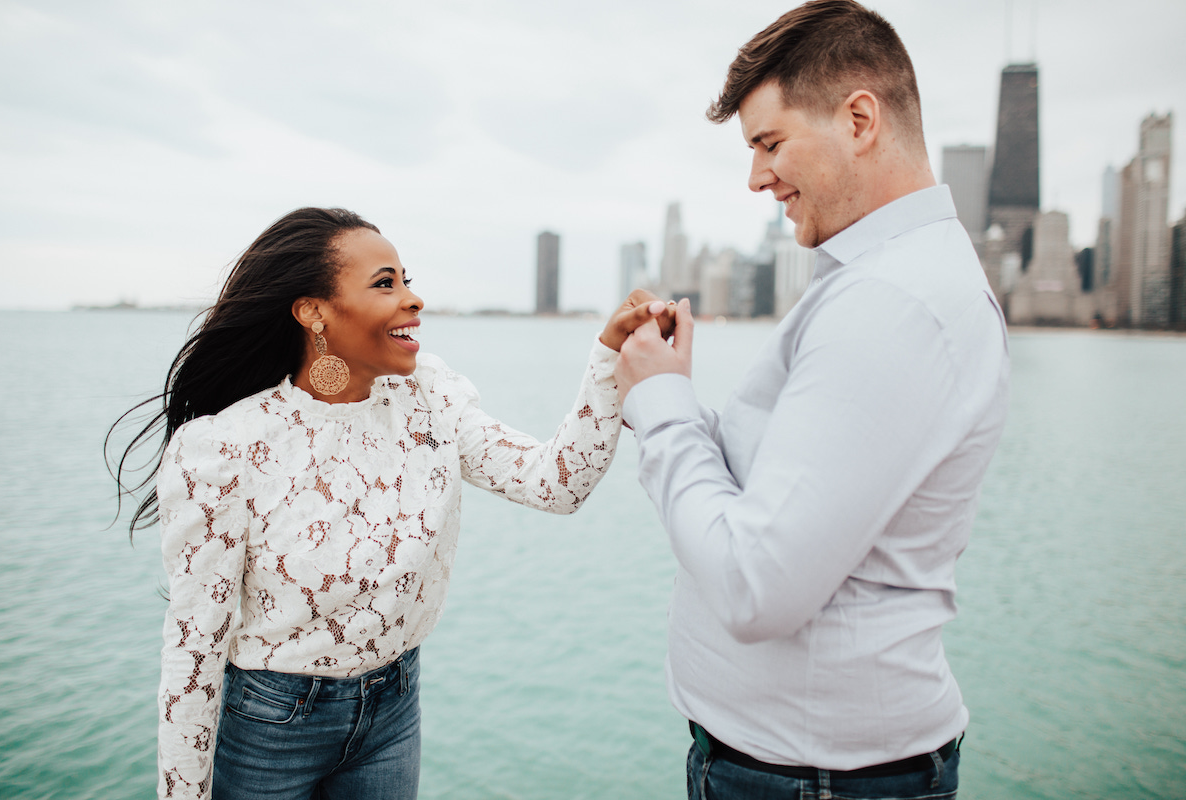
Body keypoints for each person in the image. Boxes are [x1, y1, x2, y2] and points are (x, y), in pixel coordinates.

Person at [109, 207, 671, 800]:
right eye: (385, 283)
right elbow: (195, 647)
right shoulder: (227, 448)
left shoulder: (428, 396)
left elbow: (555, 483)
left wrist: (609, 357)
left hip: (394, 710)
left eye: (407, 279)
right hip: (272, 727)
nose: (413, 299)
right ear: (313, 311)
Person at [614, 2, 1010, 798]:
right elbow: (776, 494)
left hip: (813, 781)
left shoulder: (894, 304)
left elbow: (754, 586)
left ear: (859, 118)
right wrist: (681, 399)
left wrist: (660, 407)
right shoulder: (877, 281)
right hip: (798, 771)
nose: (756, 176)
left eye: (769, 142)